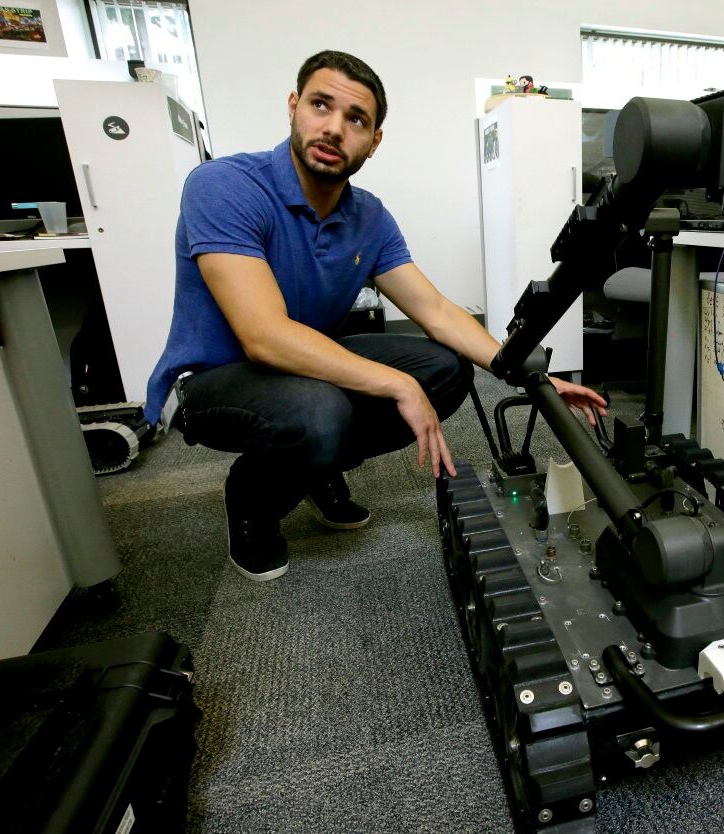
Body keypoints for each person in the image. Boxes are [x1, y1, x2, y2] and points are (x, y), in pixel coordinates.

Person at [145, 50, 606, 582]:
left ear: (374, 140)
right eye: (321, 105)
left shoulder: (368, 214)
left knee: (444, 370)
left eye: (356, 120)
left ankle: (316, 464)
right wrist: (396, 385)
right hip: (219, 379)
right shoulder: (225, 185)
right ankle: (252, 500)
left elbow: (436, 311)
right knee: (321, 414)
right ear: (294, 107)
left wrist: (532, 376)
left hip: (305, 365)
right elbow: (264, 337)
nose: (334, 129)